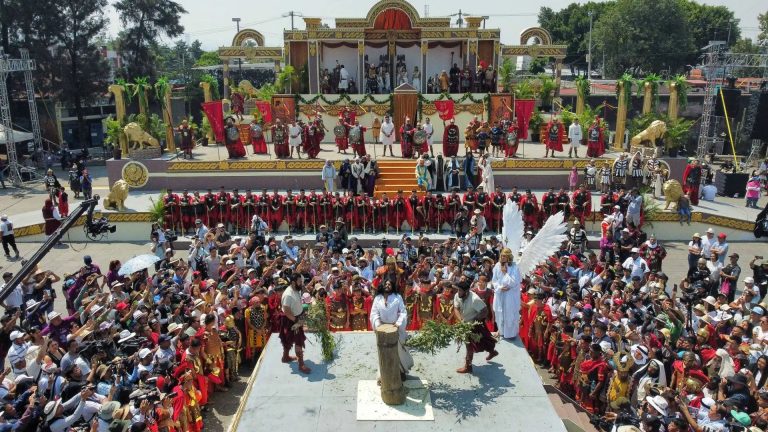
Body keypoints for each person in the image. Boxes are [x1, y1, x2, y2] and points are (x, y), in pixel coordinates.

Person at [369, 280, 413, 378]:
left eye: (389, 284)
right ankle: (383, 375)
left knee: (399, 352)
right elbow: (374, 313)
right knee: (383, 352)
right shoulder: (377, 298)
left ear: (392, 286)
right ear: (382, 286)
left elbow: (403, 312)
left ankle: (401, 372)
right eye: (386, 284)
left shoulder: (398, 297)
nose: (387, 285)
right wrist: (378, 325)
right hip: (382, 330)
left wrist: (398, 324)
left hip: (395, 329)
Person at [453, 282, 498, 374]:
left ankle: (468, 366)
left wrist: (474, 321)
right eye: (458, 290)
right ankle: (492, 351)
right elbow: (456, 308)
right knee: (478, 342)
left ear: (466, 291)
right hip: (465, 324)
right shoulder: (458, 295)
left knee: (472, 344)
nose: (458, 292)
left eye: (460, 290)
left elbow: (485, 311)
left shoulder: (475, 299)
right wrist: (461, 320)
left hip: (476, 323)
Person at [492, 248, 521, 339]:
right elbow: (494, 280)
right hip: (500, 293)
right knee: (499, 313)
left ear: (509, 257)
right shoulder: (497, 266)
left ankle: (511, 334)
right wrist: (500, 287)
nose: (502, 257)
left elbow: (514, 282)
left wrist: (505, 273)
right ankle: (500, 331)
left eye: (504, 256)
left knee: (510, 313)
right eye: (501, 255)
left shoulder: (514, 267)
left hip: (510, 295)